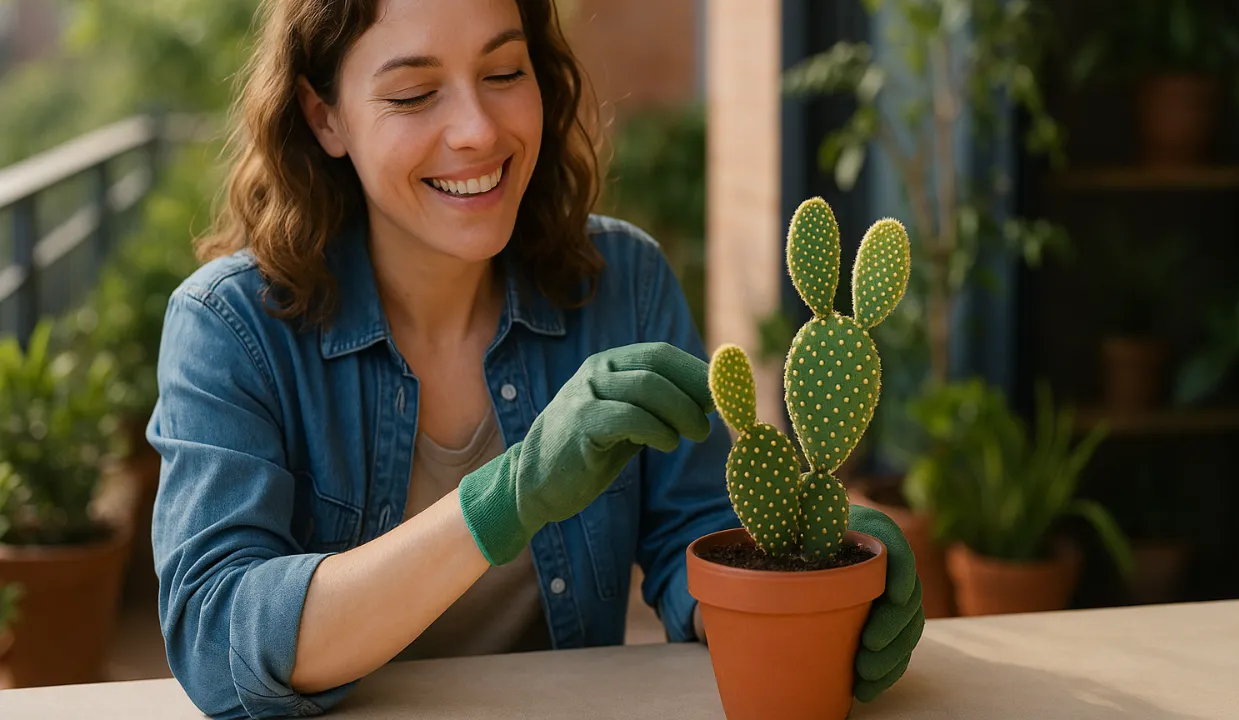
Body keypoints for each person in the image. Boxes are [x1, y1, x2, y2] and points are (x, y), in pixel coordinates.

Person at [147, 1, 924, 717]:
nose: (479, 131)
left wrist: (820, 577)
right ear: (326, 117)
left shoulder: (624, 285)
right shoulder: (229, 328)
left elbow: (702, 549)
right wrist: (503, 501)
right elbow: (216, 637)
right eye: (415, 94)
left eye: (504, 73)